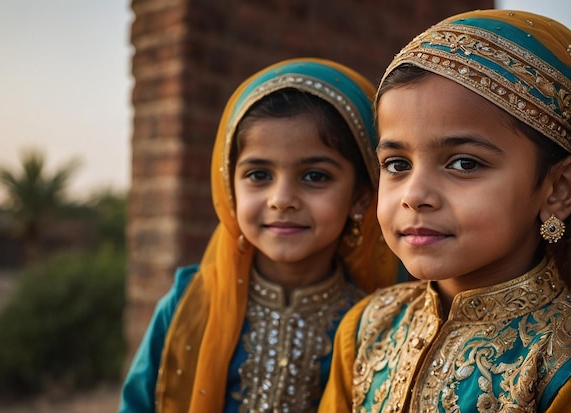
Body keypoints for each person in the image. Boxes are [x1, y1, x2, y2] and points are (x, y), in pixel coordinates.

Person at [319, 9, 571, 412]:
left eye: (464, 164)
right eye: (397, 164)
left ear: (559, 188)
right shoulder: (368, 327)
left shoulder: (568, 360)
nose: (414, 195)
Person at [119, 58, 403, 412]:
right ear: (230, 189)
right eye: (258, 175)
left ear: (360, 197)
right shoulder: (187, 305)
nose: (281, 200)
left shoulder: (376, 323)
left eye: (315, 176)